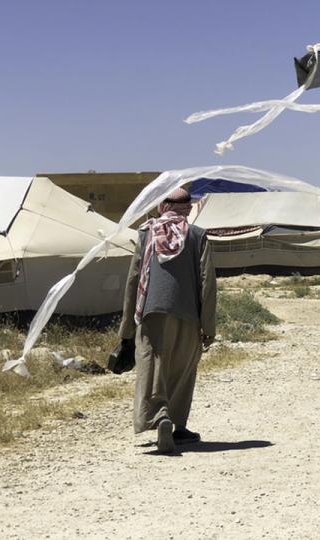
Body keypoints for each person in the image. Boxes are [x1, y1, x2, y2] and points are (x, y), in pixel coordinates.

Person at [118, 187, 217, 453]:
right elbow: (207, 282)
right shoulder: (197, 235)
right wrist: (208, 326)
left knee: (154, 366)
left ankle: (159, 416)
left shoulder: (146, 233)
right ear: (188, 207)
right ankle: (179, 425)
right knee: (183, 369)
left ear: (163, 206)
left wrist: (126, 327)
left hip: (151, 312)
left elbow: (133, 279)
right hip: (188, 313)